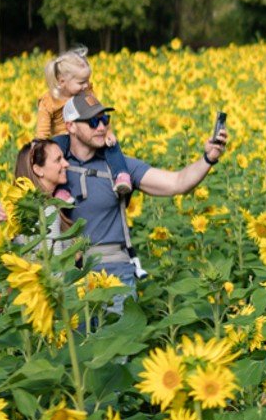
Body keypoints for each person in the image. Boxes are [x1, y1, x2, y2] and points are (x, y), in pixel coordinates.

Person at [54, 91, 229, 309]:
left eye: (105, 120)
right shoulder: (54, 165)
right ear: (70, 126)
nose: (101, 127)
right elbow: (24, 188)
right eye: (92, 121)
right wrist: (1, 211)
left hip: (115, 272)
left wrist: (208, 159)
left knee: (120, 341)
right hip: (70, 273)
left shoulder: (119, 166)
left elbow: (177, 183)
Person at [36, 47, 132, 198]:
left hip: (86, 134)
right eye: (81, 82)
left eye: (87, 80)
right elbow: (42, 129)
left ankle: (121, 175)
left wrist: (108, 132)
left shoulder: (86, 93)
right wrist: (39, 146)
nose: (86, 85)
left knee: (112, 145)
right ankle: (63, 190)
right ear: (62, 82)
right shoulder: (49, 101)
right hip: (62, 137)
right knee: (59, 161)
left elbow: (99, 114)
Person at [12, 139, 73, 253]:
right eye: (58, 160)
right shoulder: (47, 212)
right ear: (38, 170)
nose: (66, 164)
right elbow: (54, 266)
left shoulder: (25, 208)